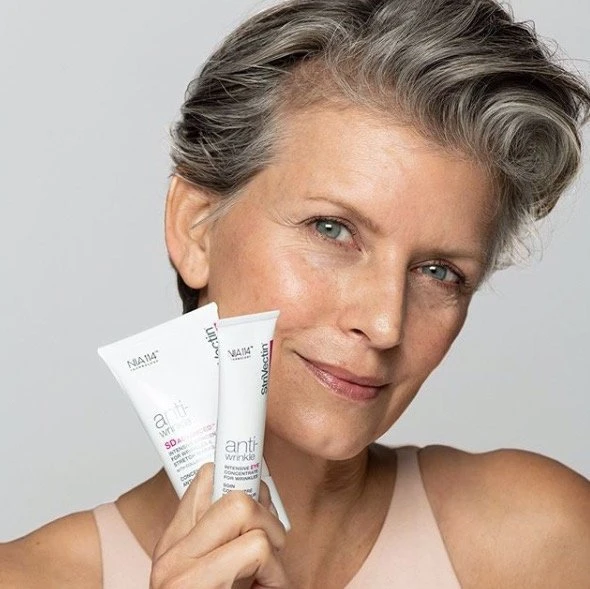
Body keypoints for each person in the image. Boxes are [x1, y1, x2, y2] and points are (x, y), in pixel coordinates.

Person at [1, 0, 589, 587]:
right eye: (331, 230)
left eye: (439, 272)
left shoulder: (540, 541)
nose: (384, 323)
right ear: (196, 228)